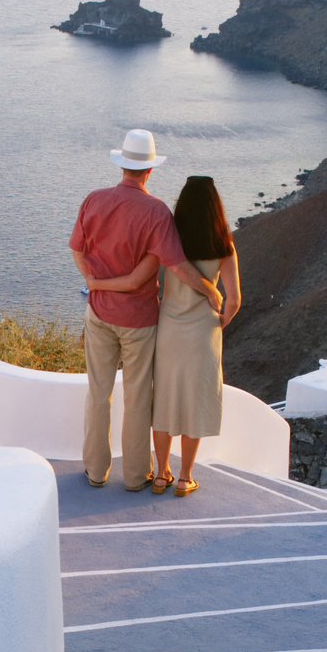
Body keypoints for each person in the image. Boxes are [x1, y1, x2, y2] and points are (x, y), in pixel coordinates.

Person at [69, 131, 225, 490]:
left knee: (98, 393)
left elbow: (77, 249)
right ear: (149, 170)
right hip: (138, 320)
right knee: (138, 397)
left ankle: (95, 470)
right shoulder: (156, 212)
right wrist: (211, 292)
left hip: (98, 315)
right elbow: (179, 267)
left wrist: (92, 279)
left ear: (122, 164)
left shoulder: (93, 200)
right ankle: (137, 477)